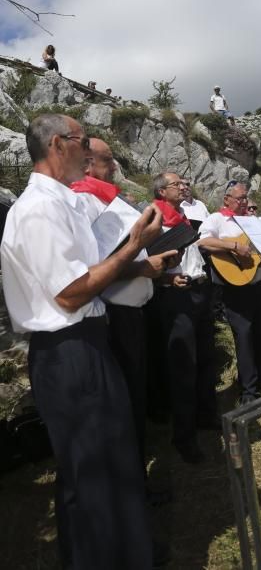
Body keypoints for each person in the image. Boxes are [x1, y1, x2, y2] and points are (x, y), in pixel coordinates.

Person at [0, 114, 166, 569]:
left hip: (88, 340)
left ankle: (127, 553)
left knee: (110, 461)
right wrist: (134, 246)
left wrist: (134, 262)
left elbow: (90, 274)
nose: (90, 155)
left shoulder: (62, 203)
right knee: (90, 470)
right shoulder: (38, 209)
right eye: (81, 144)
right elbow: (71, 292)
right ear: (58, 144)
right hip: (68, 350)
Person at [71, 138, 176, 470]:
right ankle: (132, 480)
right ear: (87, 163)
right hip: (114, 315)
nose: (115, 166)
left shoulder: (108, 199)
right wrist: (143, 267)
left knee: (137, 392)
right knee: (125, 399)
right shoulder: (82, 202)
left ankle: (136, 469)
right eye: (108, 160)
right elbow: (93, 270)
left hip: (135, 310)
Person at [153, 172, 218, 464]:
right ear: (161, 191)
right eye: (176, 184)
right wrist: (166, 281)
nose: (183, 187)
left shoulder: (185, 215)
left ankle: (206, 415)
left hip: (201, 289)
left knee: (206, 357)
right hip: (177, 294)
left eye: (183, 183)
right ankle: (184, 436)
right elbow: (146, 262)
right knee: (183, 366)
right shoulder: (154, 219)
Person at [198, 181, 261, 404]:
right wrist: (234, 247)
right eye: (240, 198)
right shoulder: (216, 219)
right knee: (245, 336)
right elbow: (203, 241)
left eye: (246, 198)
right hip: (235, 287)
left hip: (258, 284)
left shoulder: (251, 221)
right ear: (226, 199)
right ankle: (248, 391)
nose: (244, 202)